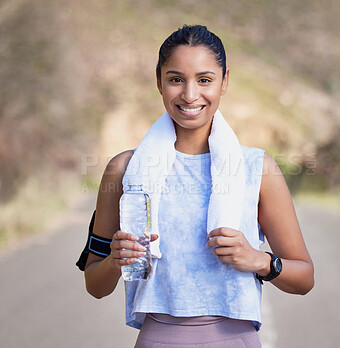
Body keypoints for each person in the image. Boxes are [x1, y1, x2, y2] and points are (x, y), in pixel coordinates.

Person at [82, 24, 314, 347]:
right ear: (159, 81)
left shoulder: (257, 169)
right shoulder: (125, 170)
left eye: (204, 80)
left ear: (225, 81)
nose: (190, 95)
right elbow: (95, 284)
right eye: (176, 79)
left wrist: (260, 260)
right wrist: (114, 260)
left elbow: (304, 277)